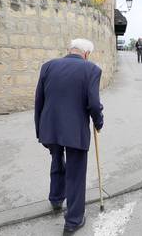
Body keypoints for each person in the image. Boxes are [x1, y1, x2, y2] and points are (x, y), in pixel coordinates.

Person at [35, 38, 104, 235]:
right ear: (86, 54)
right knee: (75, 174)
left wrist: (39, 129)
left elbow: (39, 100)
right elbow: (93, 103)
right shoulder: (91, 70)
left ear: (69, 50)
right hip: (75, 130)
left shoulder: (48, 67)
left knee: (57, 161)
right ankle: (73, 220)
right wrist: (98, 122)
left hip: (50, 127)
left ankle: (56, 199)